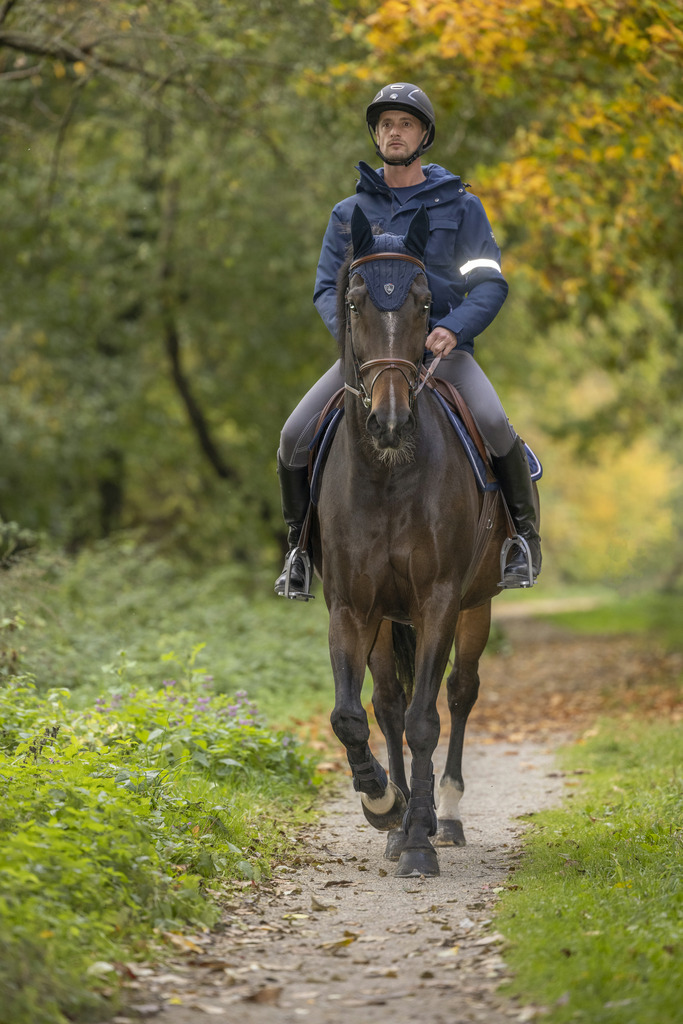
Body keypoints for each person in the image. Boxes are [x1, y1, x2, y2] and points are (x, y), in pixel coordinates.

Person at [275, 82, 541, 598]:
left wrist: (453, 328)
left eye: (405, 123)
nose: (394, 132)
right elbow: (326, 289)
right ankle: (298, 551)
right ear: (376, 137)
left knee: (492, 422)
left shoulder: (462, 208)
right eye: (385, 125)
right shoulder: (346, 214)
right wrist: (358, 344)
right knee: (292, 436)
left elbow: (489, 284)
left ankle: (522, 543)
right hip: (370, 358)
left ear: (424, 136)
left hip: (443, 354)